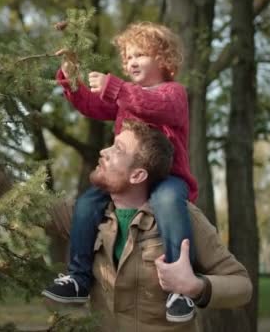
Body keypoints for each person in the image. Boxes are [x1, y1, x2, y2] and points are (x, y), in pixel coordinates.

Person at [42, 22, 199, 322]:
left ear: (164, 59)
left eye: (140, 54)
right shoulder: (126, 96)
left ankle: (181, 286)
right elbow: (90, 104)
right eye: (127, 58)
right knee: (88, 202)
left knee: (167, 203)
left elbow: (157, 107)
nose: (131, 62)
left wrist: (115, 87)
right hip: (125, 180)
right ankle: (78, 278)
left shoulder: (173, 93)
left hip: (168, 178)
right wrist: (70, 75)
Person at [46, 120, 252, 331]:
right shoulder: (86, 216)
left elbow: (242, 285)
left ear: (137, 175)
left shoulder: (183, 218)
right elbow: (24, 204)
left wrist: (195, 286)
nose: (103, 151)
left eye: (118, 149)